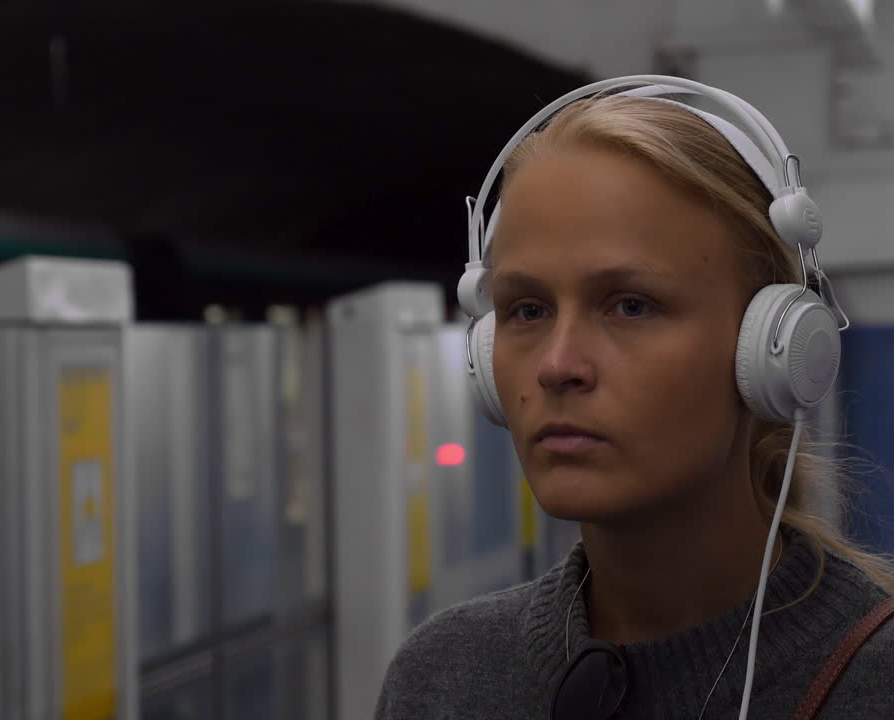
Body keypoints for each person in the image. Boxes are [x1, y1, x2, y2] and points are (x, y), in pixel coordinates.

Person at [375, 77, 894, 719]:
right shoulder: (444, 676)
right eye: (527, 310)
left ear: (771, 347)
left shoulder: (873, 684)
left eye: (630, 305)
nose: (558, 366)